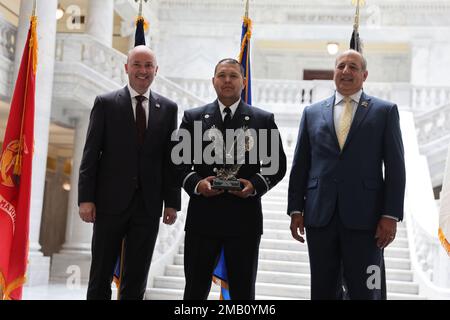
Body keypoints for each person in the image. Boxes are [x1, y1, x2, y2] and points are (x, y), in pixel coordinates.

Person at [287, 49, 406, 300]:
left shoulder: (384, 112)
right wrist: (296, 209)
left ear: (364, 75)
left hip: (368, 221)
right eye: (341, 66)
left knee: (367, 290)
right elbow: (301, 165)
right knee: (322, 291)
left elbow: (396, 167)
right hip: (321, 218)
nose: (346, 71)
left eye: (353, 67)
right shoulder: (312, 113)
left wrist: (390, 214)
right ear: (334, 72)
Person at [176, 58, 286, 299]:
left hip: (243, 220)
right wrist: (197, 183)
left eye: (233, 76)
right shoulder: (193, 118)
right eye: (222, 75)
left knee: (243, 292)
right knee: (194, 290)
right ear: (213, 81)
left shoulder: (262, 120)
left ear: (244, 82)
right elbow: (179, 163)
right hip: (203, 220)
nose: (227, 80)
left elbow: (276, 165)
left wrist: (254, 185)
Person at [78, 45, 181, 300]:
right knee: (100, 274)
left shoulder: (168, 109)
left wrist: (172, 203)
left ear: (156, 71)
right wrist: (85, 198)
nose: (142, 71)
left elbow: (171, 160)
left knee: (136, 277)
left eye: (148, 66)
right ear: (126, 68)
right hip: (108, 204)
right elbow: (91, 154)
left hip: (147, 206)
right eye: (137, 64)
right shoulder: (105, 103)